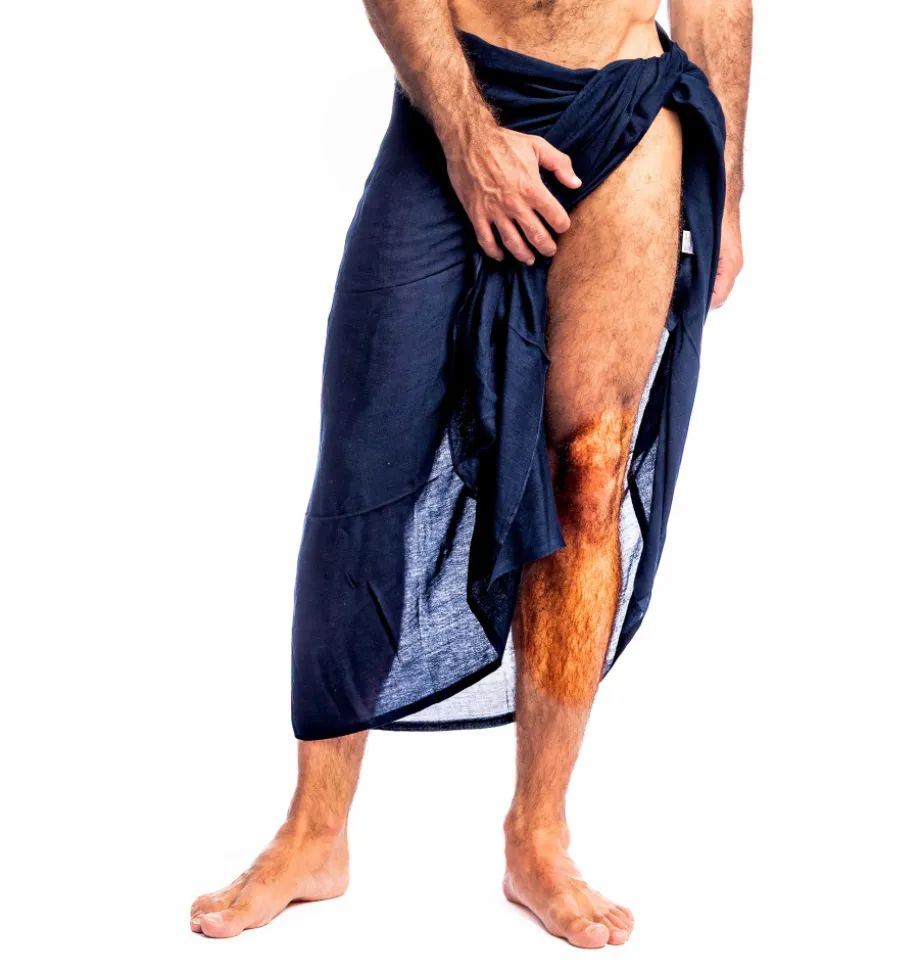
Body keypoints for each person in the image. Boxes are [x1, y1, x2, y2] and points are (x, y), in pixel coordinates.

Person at [191, 0, 751, 949]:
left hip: (629, 115)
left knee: (588, 470)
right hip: (458, 93)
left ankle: (539, 835)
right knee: (368, 459)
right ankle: (316, 831)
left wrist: (726, 187)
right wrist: (467, 136)